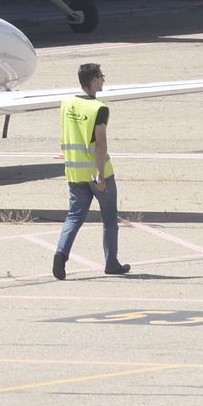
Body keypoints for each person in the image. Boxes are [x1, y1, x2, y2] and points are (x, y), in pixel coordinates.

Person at [52, 62, 130, 279]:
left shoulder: (66, 103)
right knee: (109, 219)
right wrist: (101, 174)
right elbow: (101, 143)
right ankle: (111, 263)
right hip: (96, 172)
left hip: (74, 171)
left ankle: (61, 253)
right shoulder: (99, 108)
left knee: (74, 216)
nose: (104, 80)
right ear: (94, 80)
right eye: (102, 77)